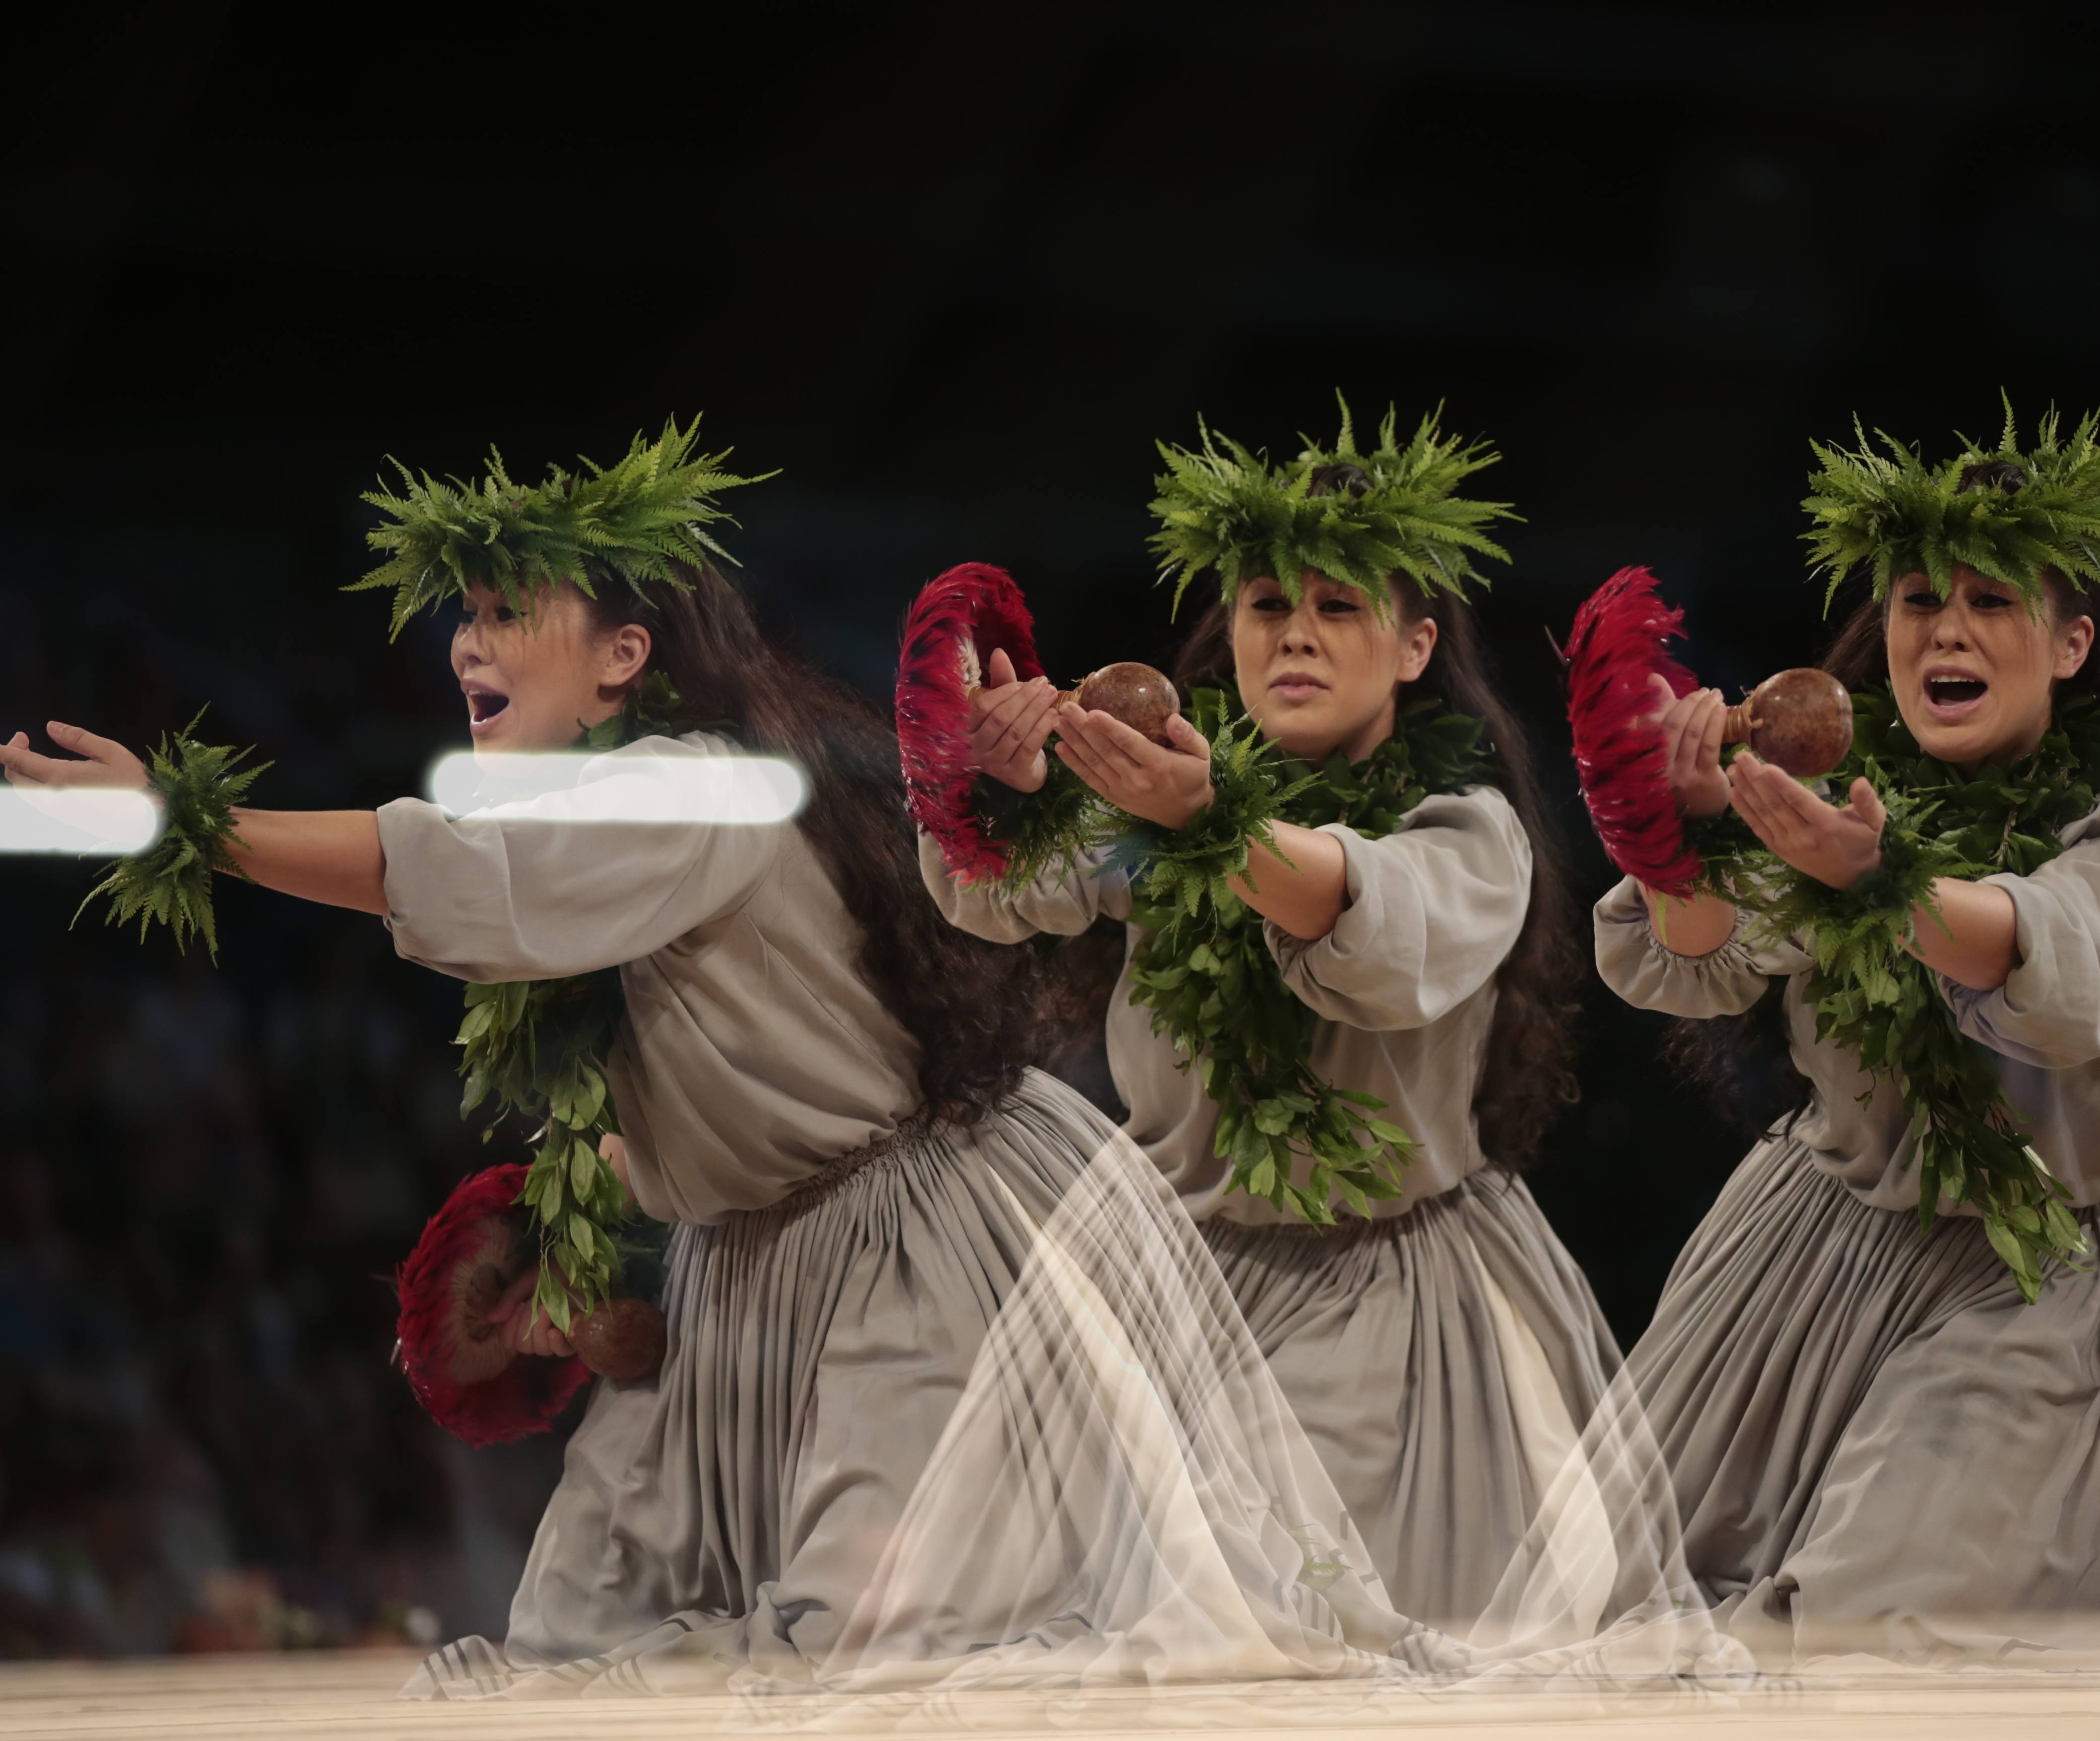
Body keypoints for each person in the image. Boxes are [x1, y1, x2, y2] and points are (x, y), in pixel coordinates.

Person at [2, 424, 1399, 1700]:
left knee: (874, 1653)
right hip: (751, 1264)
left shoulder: (682, 785)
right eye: (466, 616)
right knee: (593, 1629)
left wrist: (187, 818)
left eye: (507, 614)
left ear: (622, 656)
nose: (469, 645)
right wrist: (589, 1240)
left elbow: (443, 865)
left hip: (915, 1254)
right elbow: (689, 1063)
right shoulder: (666, 793)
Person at [1591, 406, 2100, 1667]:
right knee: (1635, 1609)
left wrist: (1877, 882)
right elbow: (1694, 963)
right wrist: (1674, 838)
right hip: (1818, 1258)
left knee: (1893, 1616)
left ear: (2072, 642)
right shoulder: (1820, 806)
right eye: (1920, 602)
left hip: (2051, 1269)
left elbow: (2036, 956)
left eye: (1992, 600)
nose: (1948, 630)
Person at [918, 406, 1617, 1638]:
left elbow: (1371, 929)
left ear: (1412, 648)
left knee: (1316, 1650)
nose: (1294, 631)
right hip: (1166, 1282)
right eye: (1264, 605)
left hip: (1380, 1300)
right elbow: (998, 895)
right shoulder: (1154, 803)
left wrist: (1214, 824)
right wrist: (1004, 787)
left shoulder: (1464, 832)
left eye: (1337, 607)